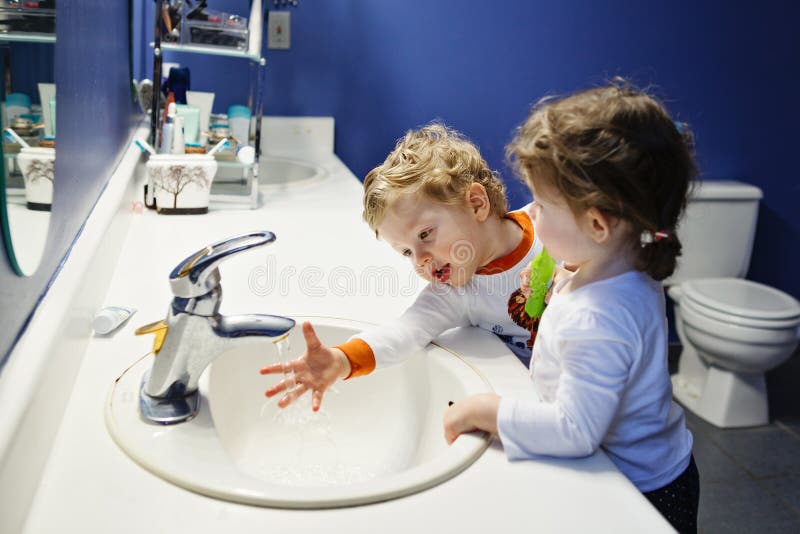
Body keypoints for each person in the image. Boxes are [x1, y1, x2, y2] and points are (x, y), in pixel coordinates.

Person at [443, 80, 700, 533]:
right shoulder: (621, 261)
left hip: (639, 491)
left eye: (542, 204)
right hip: (649, 466)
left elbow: (575, 431)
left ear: (598, 223)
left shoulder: (597, 318)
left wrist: (486, 411)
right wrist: (568, 271)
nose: (532, 214)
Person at [260, 122, 544, 409]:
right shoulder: (455, 293)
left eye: (425, 235)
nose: (419, 259)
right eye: (406, 251)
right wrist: (341, 359)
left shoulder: (556, 226)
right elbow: (406, 331)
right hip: (536, 398)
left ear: (476, 204)